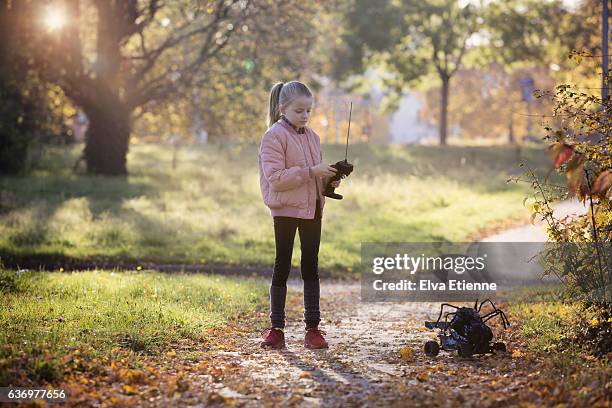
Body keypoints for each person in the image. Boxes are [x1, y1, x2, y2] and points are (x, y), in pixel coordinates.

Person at [258, 80, 341, 349]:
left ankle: (313, 329)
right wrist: (311, 172)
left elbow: (315, 179)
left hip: (312, 211)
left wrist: (330, 181)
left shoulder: (313, 137)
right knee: (282, 264)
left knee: (310, 267)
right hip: (285, 211)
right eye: (299, 111)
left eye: (308, 110)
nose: (305, 116)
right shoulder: (274, 136)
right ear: (283, 109)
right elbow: (276, 179)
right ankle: (276, 328)